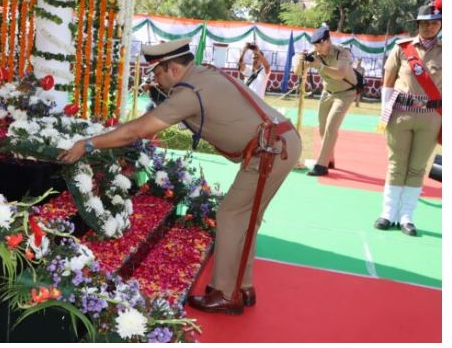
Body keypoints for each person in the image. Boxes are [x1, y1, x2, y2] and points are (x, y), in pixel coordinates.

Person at [58, 38, 302, 315]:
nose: (157, 81)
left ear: (173, 69)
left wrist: (88, 143)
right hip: (279, 142)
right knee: (246, 217)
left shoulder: (190, 91)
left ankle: (225, 294)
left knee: (230, 215)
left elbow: (136, 131)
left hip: (269, 151)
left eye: (158, 74)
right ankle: (242, 287)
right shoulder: (204, 73)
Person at [374, 0, 441, 237]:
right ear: (418, 24)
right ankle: (387, 214)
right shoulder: (403, 48)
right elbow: (388, 82)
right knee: (395, 165)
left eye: (434, 22)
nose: (429, 26)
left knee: (416, 168)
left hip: (431, 117)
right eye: (425, 22)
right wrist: (385, 114)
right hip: (400, 114)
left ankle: (406, 217)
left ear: (441, 24)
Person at [293, 26, 357, 176]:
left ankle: (321, 166)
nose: (317, 48)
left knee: (331, 127)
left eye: (320, 44)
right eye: (315, 45)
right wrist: (300, 61)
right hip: (327, 92)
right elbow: (298, 72)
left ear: (328, 41)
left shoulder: (342, 52)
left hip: (345, 93)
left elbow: (340, 74)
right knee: (322, 128)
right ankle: (330, 159)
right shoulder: (315, 53)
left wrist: (320, 66)